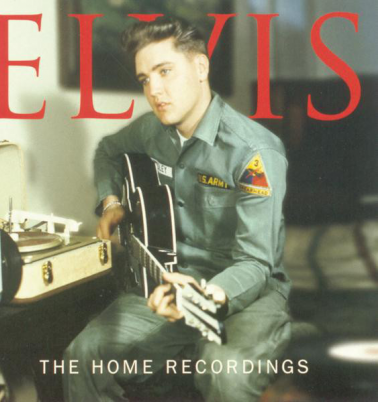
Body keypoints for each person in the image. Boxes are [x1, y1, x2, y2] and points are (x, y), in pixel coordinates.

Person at [63, 17, 291, 402]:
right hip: (168, 283)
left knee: (225, 376)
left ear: (201, 67)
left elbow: (255, 262)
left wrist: (206, 297)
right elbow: (107, 151)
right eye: (144, 79)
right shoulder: (152, 130)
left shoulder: (255, 152)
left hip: (245, 292)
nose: (154, 90)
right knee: (82, 355)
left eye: (165, 71)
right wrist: (112, 202)